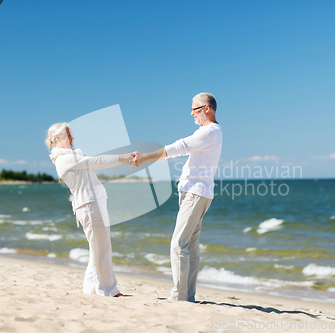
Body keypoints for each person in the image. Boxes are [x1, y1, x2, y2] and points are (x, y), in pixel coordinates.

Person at [133, 93, 222, 301]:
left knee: (178, 244)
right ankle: (187, 295)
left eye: (195, 109)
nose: (192, 113)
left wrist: (145, 157)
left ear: (207, 109)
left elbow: (176, 148)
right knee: (190, 245)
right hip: (199, 193)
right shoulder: (212, 132)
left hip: (195, 193)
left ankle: (180, 295)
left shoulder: (209, 132)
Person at [45, 122, 134, 297]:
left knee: (97, 249)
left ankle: (90, 289)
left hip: (93, 203)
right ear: (58, 138)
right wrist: (126, 157)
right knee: (101, 249)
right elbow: (98, 161)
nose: (73, 138)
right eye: (69, 135)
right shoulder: (65, 159)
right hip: (88, 204)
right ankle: (108, 290)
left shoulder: (71, 156)